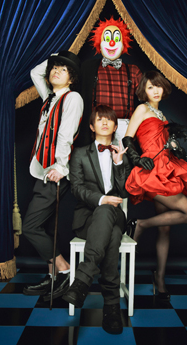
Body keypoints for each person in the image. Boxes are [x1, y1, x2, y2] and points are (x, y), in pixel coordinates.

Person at [122, 71, 187, 300]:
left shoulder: (161, 114)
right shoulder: (142, 109)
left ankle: (160, 278)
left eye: (158, 86)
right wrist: (136, 159)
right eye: (150, 87)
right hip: (151, 170)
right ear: (143, 91)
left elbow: (161, 142)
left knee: (165, 228)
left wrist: (175, 149)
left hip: (167, 168)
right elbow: (127, 138)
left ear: (164, 88)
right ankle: (141, 224)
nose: (155, 91)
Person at [62, 105, 130, 335]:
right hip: (87, 220)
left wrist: (119, 163)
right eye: (99, 119)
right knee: (112, 236)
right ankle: (112, 307)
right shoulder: (80, 154)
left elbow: (125, 191)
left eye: (109, 119)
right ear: (91, 126)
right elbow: (76, 188)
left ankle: (82, 280)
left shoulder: (122, 155)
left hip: (115, 216)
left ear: (115, 125)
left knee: (108, 214)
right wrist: (101, 199)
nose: (104, 123)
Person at [22, 51, 84, 301]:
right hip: (41, 171)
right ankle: (52, 278)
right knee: (46, 227)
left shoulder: (72, 98)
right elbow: (35, 73)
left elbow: (66, 134)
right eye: (55, 68)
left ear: (72, 78)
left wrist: (60, 166)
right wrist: (56, 58)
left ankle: (65, 270)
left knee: (30, 227)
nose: (56, 71)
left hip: (55, 172)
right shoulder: (49, 97)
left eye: (63, 69)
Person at [76, 17, 142, 147]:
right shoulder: (88, 68)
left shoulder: (133, 70)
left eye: (116, 39)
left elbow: (147, 100)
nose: (112, 43)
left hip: (125, 130)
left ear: (123, 45)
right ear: (99, 43)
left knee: (124, 160)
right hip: (97, 128)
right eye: (107, 39)